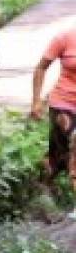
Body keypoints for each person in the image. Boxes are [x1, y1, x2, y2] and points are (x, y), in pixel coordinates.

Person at [31, 26, 76, 218]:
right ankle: (43, 190)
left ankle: (43, 187)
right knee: (68, 149)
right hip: (64, 103)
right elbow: (41, 67)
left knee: (62, 156)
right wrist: (36, 101)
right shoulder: (64, 37)